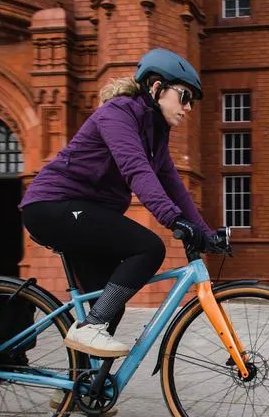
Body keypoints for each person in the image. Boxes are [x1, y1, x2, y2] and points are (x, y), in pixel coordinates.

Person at [19, 48, 222, 359]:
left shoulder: (155, 134)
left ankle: (82, 388)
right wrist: (173, 220)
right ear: (156, 87)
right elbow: (135, 168)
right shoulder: (118, 113)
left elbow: (175, 188)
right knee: (149, 248)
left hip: (84, 212)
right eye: (183, 96)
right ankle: (90, 327)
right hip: (53, 205)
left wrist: (206, 234)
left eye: (191, 101)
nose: (188, 107)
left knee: (109, 304)